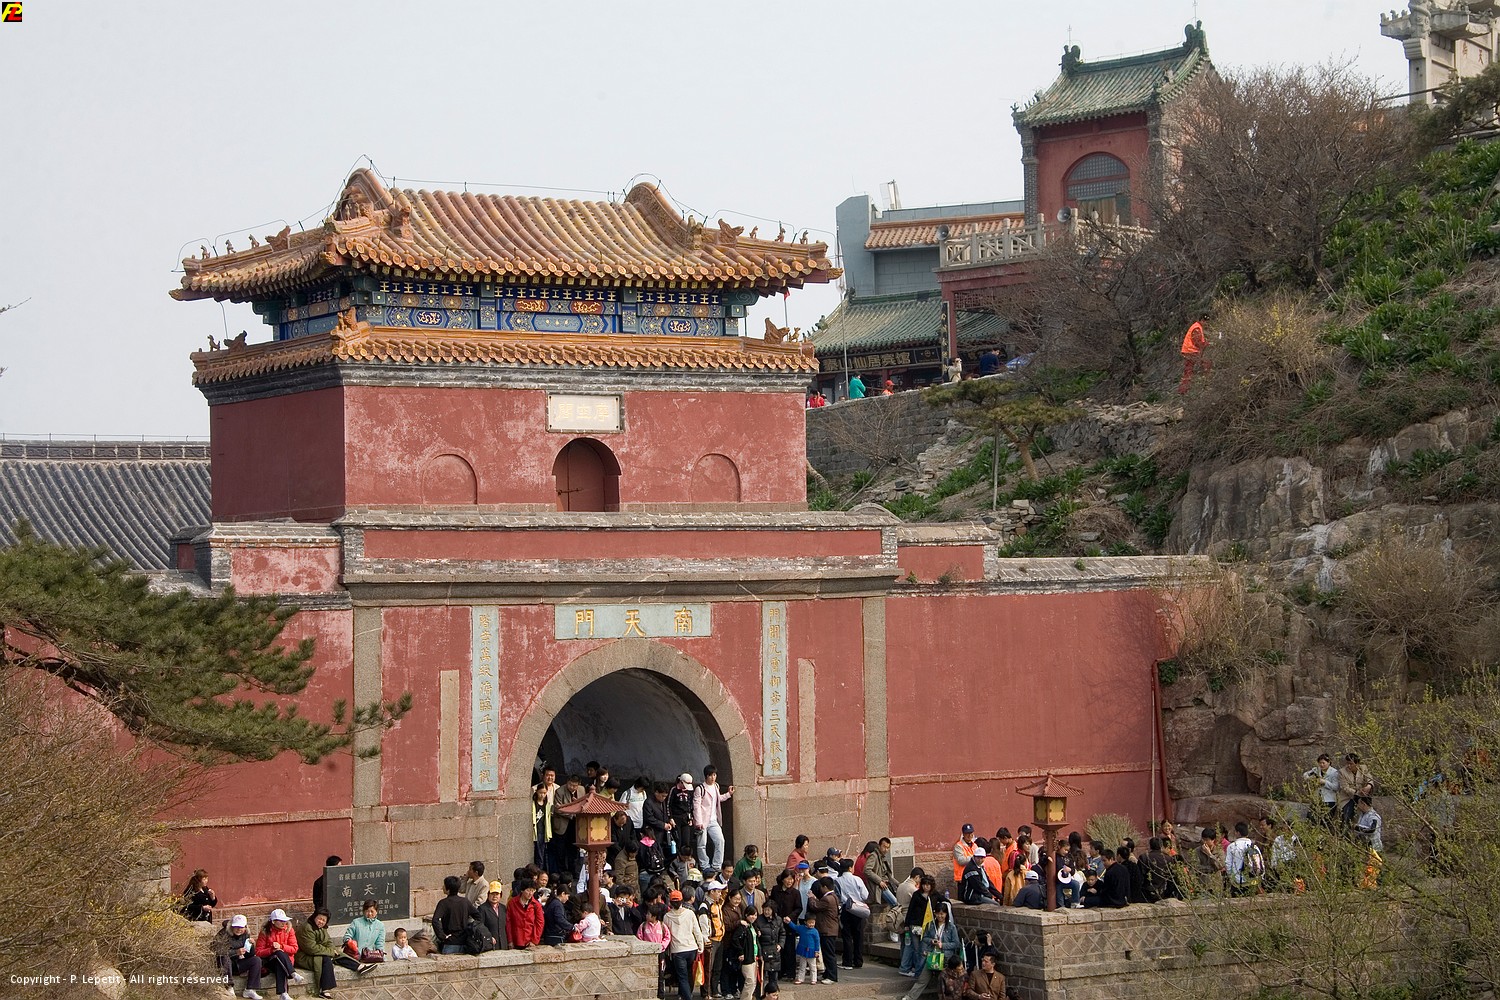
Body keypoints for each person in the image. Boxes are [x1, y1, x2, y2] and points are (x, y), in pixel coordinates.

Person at [901, 904, 959, 1000]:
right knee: (922, 979)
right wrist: (931, 941)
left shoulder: (951, 927)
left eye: (942, 914)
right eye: (938, 913)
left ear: (946, 914)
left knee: (945, 982)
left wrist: (943, 945)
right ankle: (909, 997)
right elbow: (924, 938)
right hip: (932, 956)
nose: (940, 916)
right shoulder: (931, 925)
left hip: (945, 958)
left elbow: (956, 943)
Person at [664, 890, 705, 1000]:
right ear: (682, 900)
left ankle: (686, 997)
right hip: (692, 948)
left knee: (682, 977)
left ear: (670, 902)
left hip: (677, 950)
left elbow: (667, 934)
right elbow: (697, 931)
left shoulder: (667, 917)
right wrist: (700, 945)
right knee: (689, 974)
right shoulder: (690, 913)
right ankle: (685, 995)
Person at [693, 765, 734, 874]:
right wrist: (698, 822)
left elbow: (718, 799)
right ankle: (704, 865)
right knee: (702, 844)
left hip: (713, 819)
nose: (713, 777)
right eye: (710, 775)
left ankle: (716, 865)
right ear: (706, 776)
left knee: (720, 840)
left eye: (714, 775)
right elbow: (696, 806)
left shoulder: (716, 786)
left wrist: (728, 794)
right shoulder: (700, 789)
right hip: (703, 820)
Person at [295, 908, 341, 999]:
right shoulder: (307, 928)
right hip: (304, 956)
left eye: (324, 920)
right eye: (320, 918)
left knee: (338, 954)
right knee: (326, 959)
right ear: (314, 917)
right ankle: (324, 990)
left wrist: (332, 949)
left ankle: (357, 966)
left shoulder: (322, 928)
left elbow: (328, 941)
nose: (321, 922)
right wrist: (330, 951)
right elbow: (311, 948)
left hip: (318, 953)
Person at [254, 909, 299, 1000]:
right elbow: (258, 952)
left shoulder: (289, 930)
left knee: (280, 962)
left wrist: (281, 946)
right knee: (278, 953)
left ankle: (283, 994)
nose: (283, 923)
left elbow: (294, 948)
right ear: (273, 921)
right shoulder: (265, 932)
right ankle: (292, 973)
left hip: (287, 961)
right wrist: (271, 950)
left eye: (284, 920)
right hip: (270, 961)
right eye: (280, 921)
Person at [219, 914, 263, 1000]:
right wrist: (236, 952)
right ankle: (229, 987)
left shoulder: (246, 934)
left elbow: (249, 955)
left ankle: (250, 989)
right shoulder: (223, 934)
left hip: (238, 963)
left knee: (256, 960)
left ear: (245, 927)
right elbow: (219, 952)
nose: (239, 929)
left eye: (241, 927)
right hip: (224, 966)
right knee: (225, 958)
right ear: (232, 926)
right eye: (236, 927)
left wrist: (251, 946)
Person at [836, 858, 870, 968]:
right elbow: (865, 895)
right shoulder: (857, 879)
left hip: (845, 909)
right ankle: (858, 961)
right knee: (858, 936)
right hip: (858, 908)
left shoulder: (837, 880)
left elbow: (837, 896)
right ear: (850, 868)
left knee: (847, 936)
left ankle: (847, 961)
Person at [899, 874, 934, 977]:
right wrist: (907, 924)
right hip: (915, 925)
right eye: (924, 884)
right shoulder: (916, 895)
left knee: (924, 947)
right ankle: (918, 970)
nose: (926, 887)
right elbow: (911, 909)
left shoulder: (934, 895)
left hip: (927, 925)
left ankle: (920, 969)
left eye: (928, 885)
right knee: (916, 948)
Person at [433, 875, 475, 954]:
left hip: (450, 943)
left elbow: (435, 920)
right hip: (465, 941)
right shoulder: (465, 902)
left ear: (448, 889)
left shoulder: (443, 903)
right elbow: (478, 916)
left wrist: (442, 936)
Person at [809, 882, 840, 983]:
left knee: (829, 954)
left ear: (825, 887)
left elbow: (815, 907)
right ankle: (827, 974)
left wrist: (811, 898)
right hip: (830, 929)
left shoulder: (827, 899)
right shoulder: (833, 896)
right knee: (828, 954)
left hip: (828, 930)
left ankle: (832, 977)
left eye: (822, 887)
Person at [342, 899, 385, 971]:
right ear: (363, 911)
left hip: (369, 957)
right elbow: (347, 936)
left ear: (376, 912)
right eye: (367, 911)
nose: (369, 914)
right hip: (354, 956)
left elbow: (380, 944)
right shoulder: (356, 922)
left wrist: (382, 958)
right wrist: (350, 943)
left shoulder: (380, 926)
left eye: (372, 911)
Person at [754, 901, 784, 999]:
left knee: (773, 977)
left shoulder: (778, 920)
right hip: (763, 950)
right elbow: (756, 939)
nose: (766, 912)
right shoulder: (758, 920)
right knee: (761, 978)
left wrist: (780, 944)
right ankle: (760, 996)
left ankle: (774, 996)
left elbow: (782, 933)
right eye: (765, 909)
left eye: (768, 910)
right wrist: (759, 953)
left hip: (775, 951)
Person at [1224, 822, 1262, 897]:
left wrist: (1231, 878)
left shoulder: (1232, 847)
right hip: (1253, 881)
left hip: (1238, 882)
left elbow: (1228, 864)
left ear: (1237, 833)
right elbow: (1260, 863)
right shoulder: (1254, 846)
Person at [506, 878, 545, 950]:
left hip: (529, 941)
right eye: (528, 890)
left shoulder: (536, 905)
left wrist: (534, 941)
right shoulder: (512, 903)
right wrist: (510, 940)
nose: (530, 893)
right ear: (522, 890)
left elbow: (540, 923)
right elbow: (508, 922)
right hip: (516, 939)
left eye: (532, 891)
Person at [1339, 753, 1375, 826]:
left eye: (1351, 764)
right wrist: (1357, 792)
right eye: (1347, 763)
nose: (1349, 766)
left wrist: (1368, 786)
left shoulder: (1363, 768)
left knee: (1366, 812)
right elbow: (1345, 787)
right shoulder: (1342, 772)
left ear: (1357, 764)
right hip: (1349, 797)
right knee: (1347, 816)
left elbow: (1369, 778)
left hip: (1363, 796)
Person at [1304, 754, 1341, 824]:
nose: (1321, 765)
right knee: (1311, 819)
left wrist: (1325, 782)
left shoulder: (1334, 772)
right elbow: (1305, 775)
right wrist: (1312, 779)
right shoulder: (1316, 770)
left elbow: (1336, 787)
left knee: (1325, 821)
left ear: (1329, 762)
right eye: (1320, 763)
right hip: (1317, 799)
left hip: (1329, 800)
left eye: (1323, 763)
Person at [1177, 315, 1209, 394]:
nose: (1206, 324)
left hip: (1190, 352)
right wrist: (1206, 344)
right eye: (1206, 322)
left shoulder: (1196, 327)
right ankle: (1184, 390)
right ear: (1202, 320)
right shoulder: (1197, 328)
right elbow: (1197, 342)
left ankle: (1184, 390)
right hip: (1191, 352)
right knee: (1203, 365)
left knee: (1189, 371)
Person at [475, 883, 506, 952]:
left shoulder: (503, 908)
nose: (494, 896)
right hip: (489, 944)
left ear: (500, 895)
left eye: (497, 894)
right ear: (488, 894)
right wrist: (488, 937)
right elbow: (479, 926)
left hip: (503, 944)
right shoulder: (482, 908)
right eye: (492, 894)